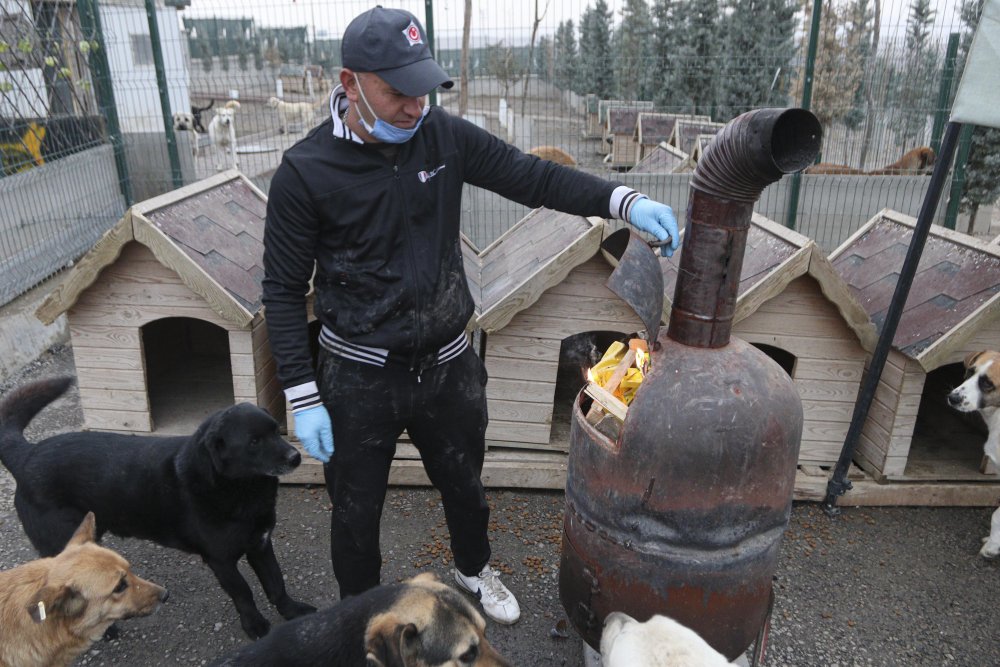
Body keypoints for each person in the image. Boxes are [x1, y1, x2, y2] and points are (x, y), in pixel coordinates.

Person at [261, 6, 679, 626]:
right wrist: (301, 391)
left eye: (424, 88)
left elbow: (531, 176)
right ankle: (361, 618)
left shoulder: (443, 137)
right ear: (350, 84)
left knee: (466, 486)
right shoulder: (305, 172)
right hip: (358, 374)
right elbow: (283, 288)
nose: (415, 106)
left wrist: (621, 199)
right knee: (354, 512)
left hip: (448, 362)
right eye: (398, 92)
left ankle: (474, 571)